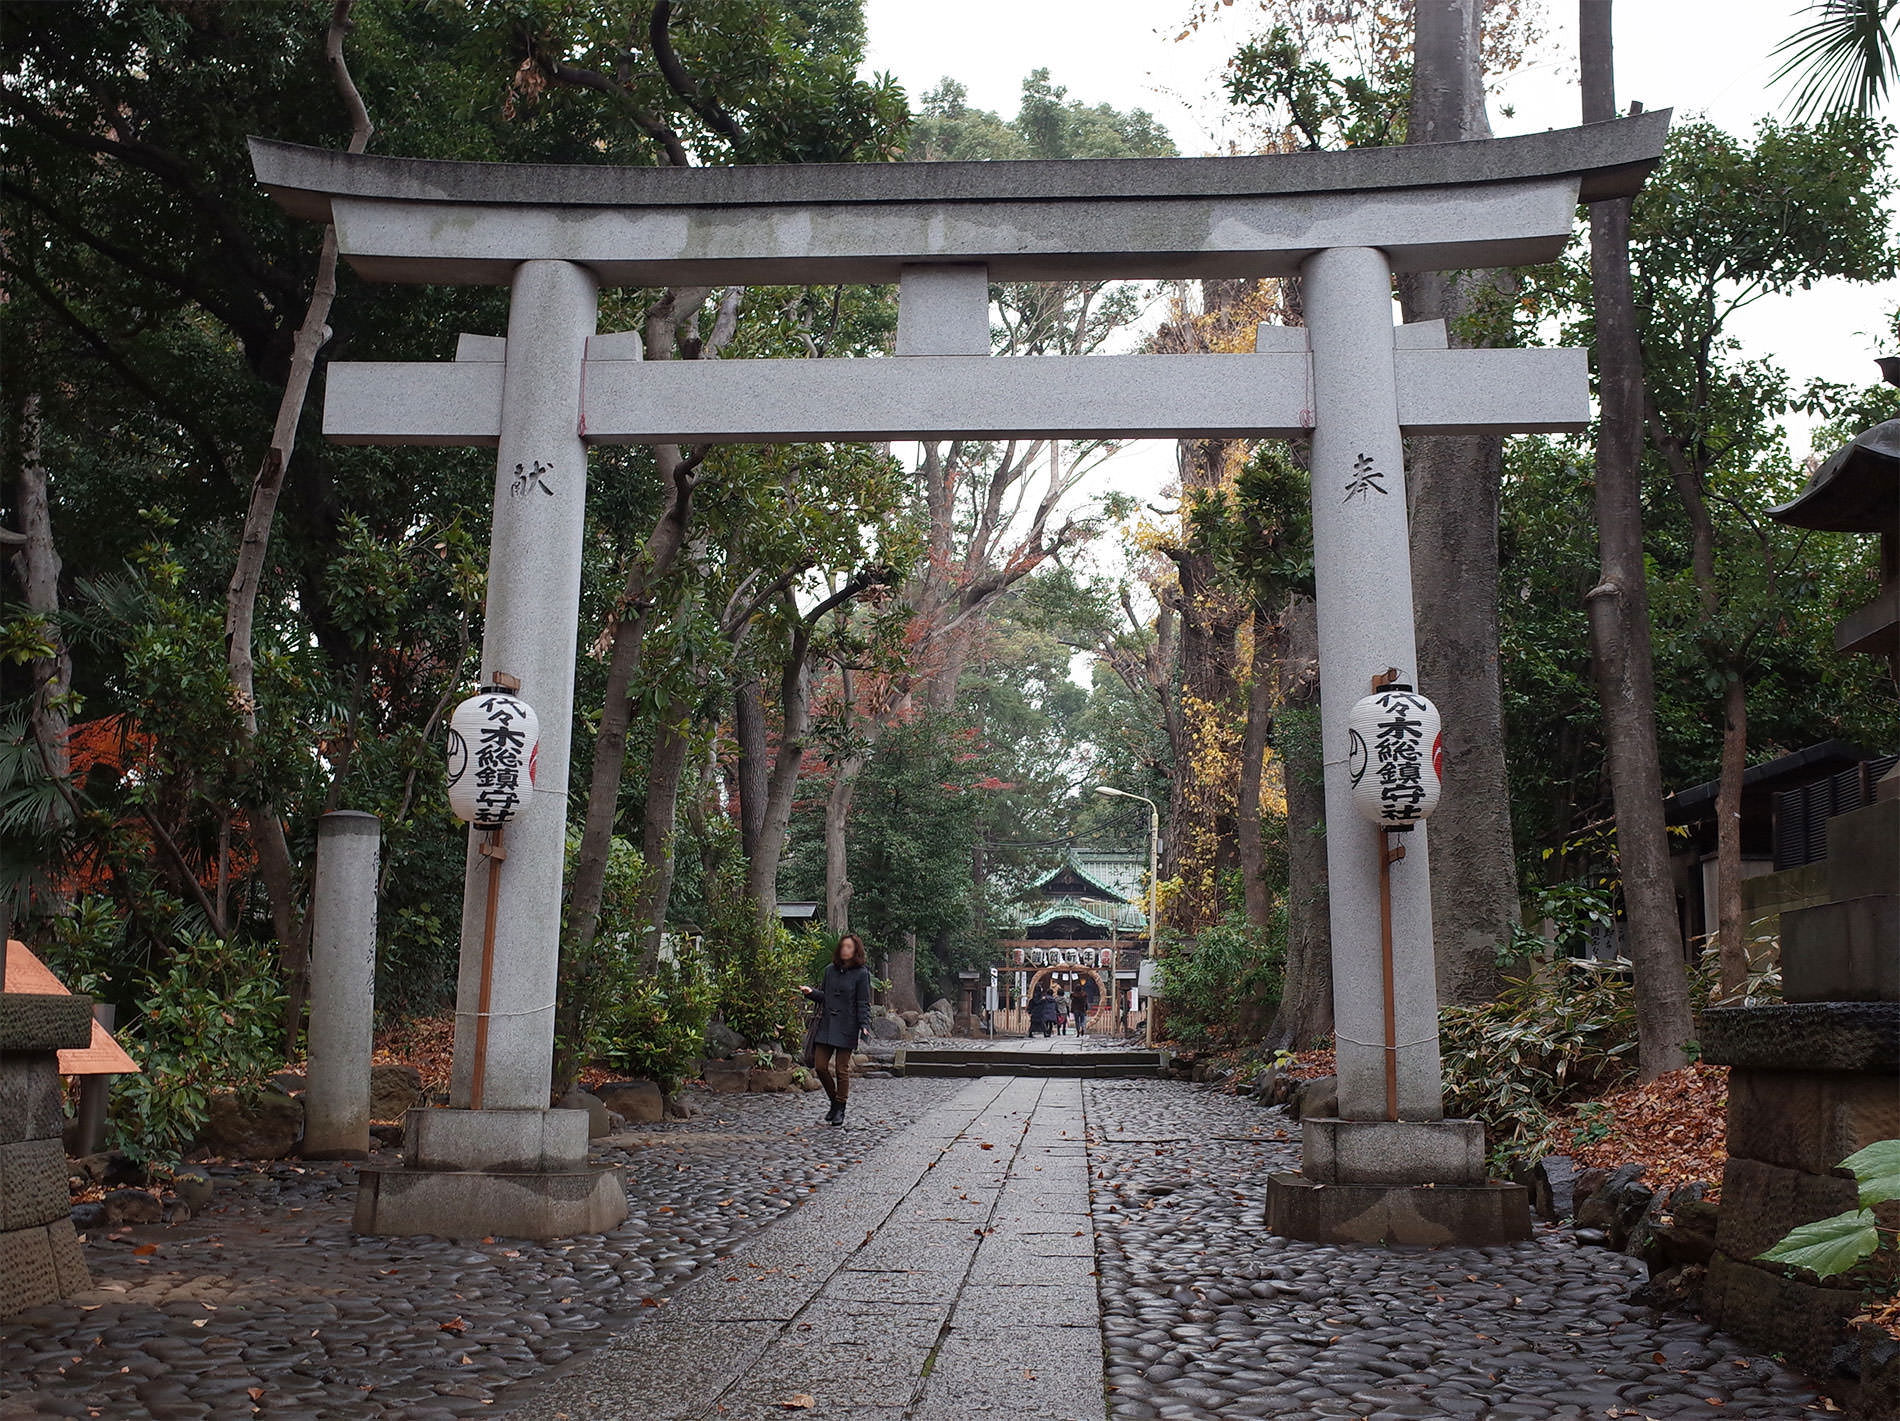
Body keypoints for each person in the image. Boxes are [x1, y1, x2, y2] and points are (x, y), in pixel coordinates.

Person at [799, 933, 873, 1126]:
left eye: (849, 947)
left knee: (842, 1069)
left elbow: (863, 1002)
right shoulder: (830, 970)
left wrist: (864, 1025)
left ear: (856, 950)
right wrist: (811, 993)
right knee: (821, 1066)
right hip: (827, 1025)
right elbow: (826, 997)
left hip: (848, 1026)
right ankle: (834, 1101)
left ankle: (841, 1107)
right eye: (843, 947)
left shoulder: (862, 973)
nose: (845, 950)